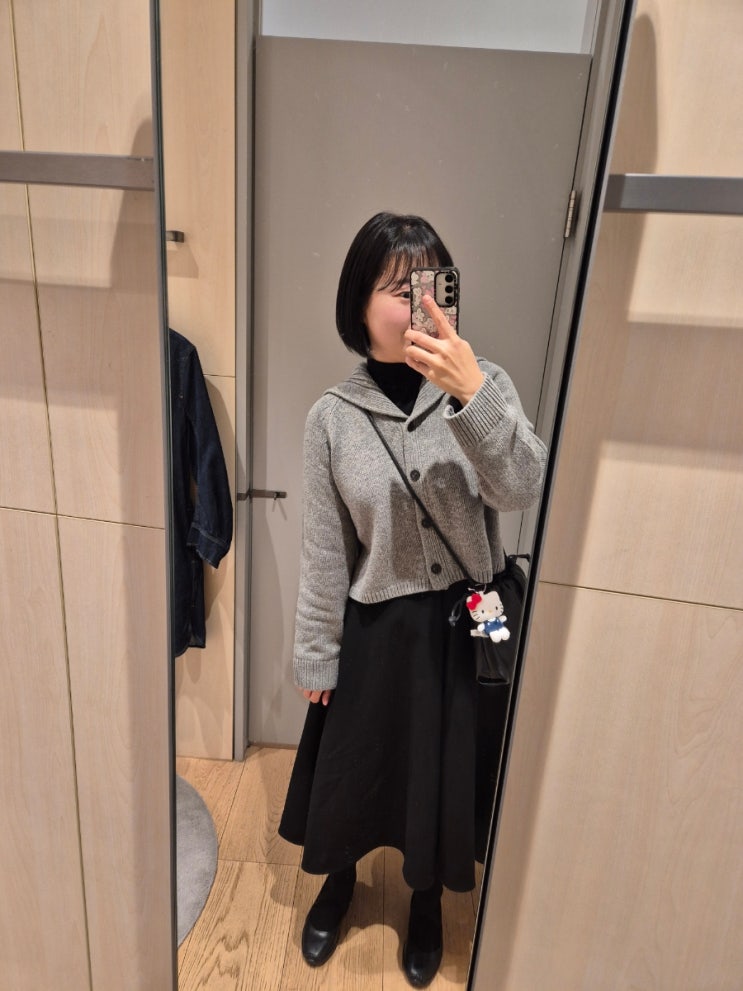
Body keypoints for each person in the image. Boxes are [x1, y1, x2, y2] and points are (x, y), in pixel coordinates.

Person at [278, 211, 546, 988]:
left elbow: (523, 486)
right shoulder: (331, 417)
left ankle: (425, 899)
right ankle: (338, 883)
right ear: (359, 305)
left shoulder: (483, 383)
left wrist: (471, 397)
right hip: (375, 626)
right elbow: (325, 549)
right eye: (401, 289)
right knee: (354, 767)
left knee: (440, 768)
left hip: (463, 622)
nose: (423, 303)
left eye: (434, 285)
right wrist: (315, 651)